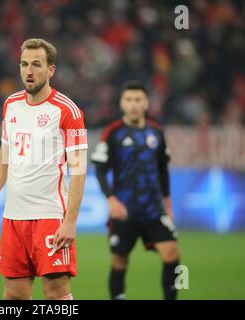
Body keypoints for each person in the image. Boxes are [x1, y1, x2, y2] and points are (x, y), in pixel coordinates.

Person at [0, 38, 88, 300]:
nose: (29, 70)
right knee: (14, 294)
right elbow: (3, 158)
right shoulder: (11, 105)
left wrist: (69, 222)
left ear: (51, 70)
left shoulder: (67, 111)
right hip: (13, 218)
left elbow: (78, 170)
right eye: (24, 64)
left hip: (50, 216)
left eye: (37, 64)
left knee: (56, 292)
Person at [91, 81, 181, 300]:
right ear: (122, 103)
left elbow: (162, 170)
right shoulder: (112, 133)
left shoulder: (157, 132)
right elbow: (100, 169)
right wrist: (111, 200)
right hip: (125, 211)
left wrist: (167, 204)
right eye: (129, 99)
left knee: (173, 256)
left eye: (138, 99)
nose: (133, 104)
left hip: (153, 210)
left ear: (146, 103)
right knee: (119, 261)